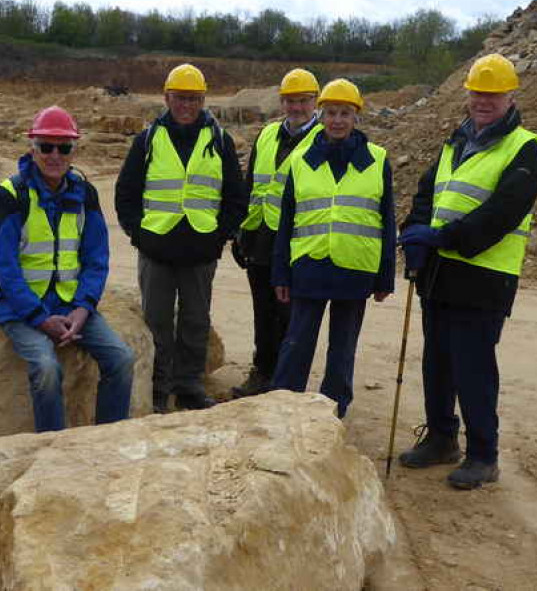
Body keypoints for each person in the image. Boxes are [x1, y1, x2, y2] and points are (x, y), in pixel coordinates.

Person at [397, 53, 537, 489]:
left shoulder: (526, 148)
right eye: (477, 93)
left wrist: (442, 238)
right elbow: (429, 191)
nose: (483, 101)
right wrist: (416, 233)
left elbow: (502, 213)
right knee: (438, 362)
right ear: (467, 94)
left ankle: (484, 453)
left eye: (493, 94)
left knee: (473, 367)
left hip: (485, 277)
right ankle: (442, 438)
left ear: (509, 96)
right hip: (441, 274)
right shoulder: (456, 141)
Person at [0, 105, 134, 433]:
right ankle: (51, 446)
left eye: (63, 148)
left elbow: (96, 259)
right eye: (46, 147)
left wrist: (83, 307)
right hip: (18, 308)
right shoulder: (12, 196)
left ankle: (108, 438)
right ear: (32, 148)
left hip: (69, 304)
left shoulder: (83, 193)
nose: (54, 155)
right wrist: (39, 317)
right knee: (46, 367)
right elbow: (2, 266)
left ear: (73, 151)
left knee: (120, 359)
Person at [115, 63, 246, 413]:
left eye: (193, 99)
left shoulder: (219, 141)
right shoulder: (147, 141)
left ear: (202, 100)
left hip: (200, 250)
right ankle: (159, 388)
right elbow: (125, 193)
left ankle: (188, 384)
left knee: (195, 321)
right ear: (166, 98)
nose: (186, 106)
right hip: (156, 248)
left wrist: (221, 235)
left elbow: (236, 196)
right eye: (179, 98)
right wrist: (138, 233)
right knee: (156, 321)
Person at [270, 79, 395, 418]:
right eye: (331, 113)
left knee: (343, 349)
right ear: (322, 116)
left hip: (354, 268)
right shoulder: (301, 161)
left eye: (345, 113)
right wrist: (280, 271)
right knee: (296, 342)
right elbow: (287, 223)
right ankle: (282, 405)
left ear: (356, 117)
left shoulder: (377, 160)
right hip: (309, 265)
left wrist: (385, 277)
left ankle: (332, 410)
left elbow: (387, 221)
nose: (337, 120)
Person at [231, 68, 322, 398]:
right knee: (263, 312)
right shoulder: (268, 135)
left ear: (315, 102)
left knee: (291, 317)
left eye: (303, 101)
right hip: (261, 239)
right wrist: (241, 234)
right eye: (290, 101)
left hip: (298, 242)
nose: (296, 108)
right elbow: (252, 186)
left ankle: (285, 383)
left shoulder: (323, 138)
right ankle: (263, 370)